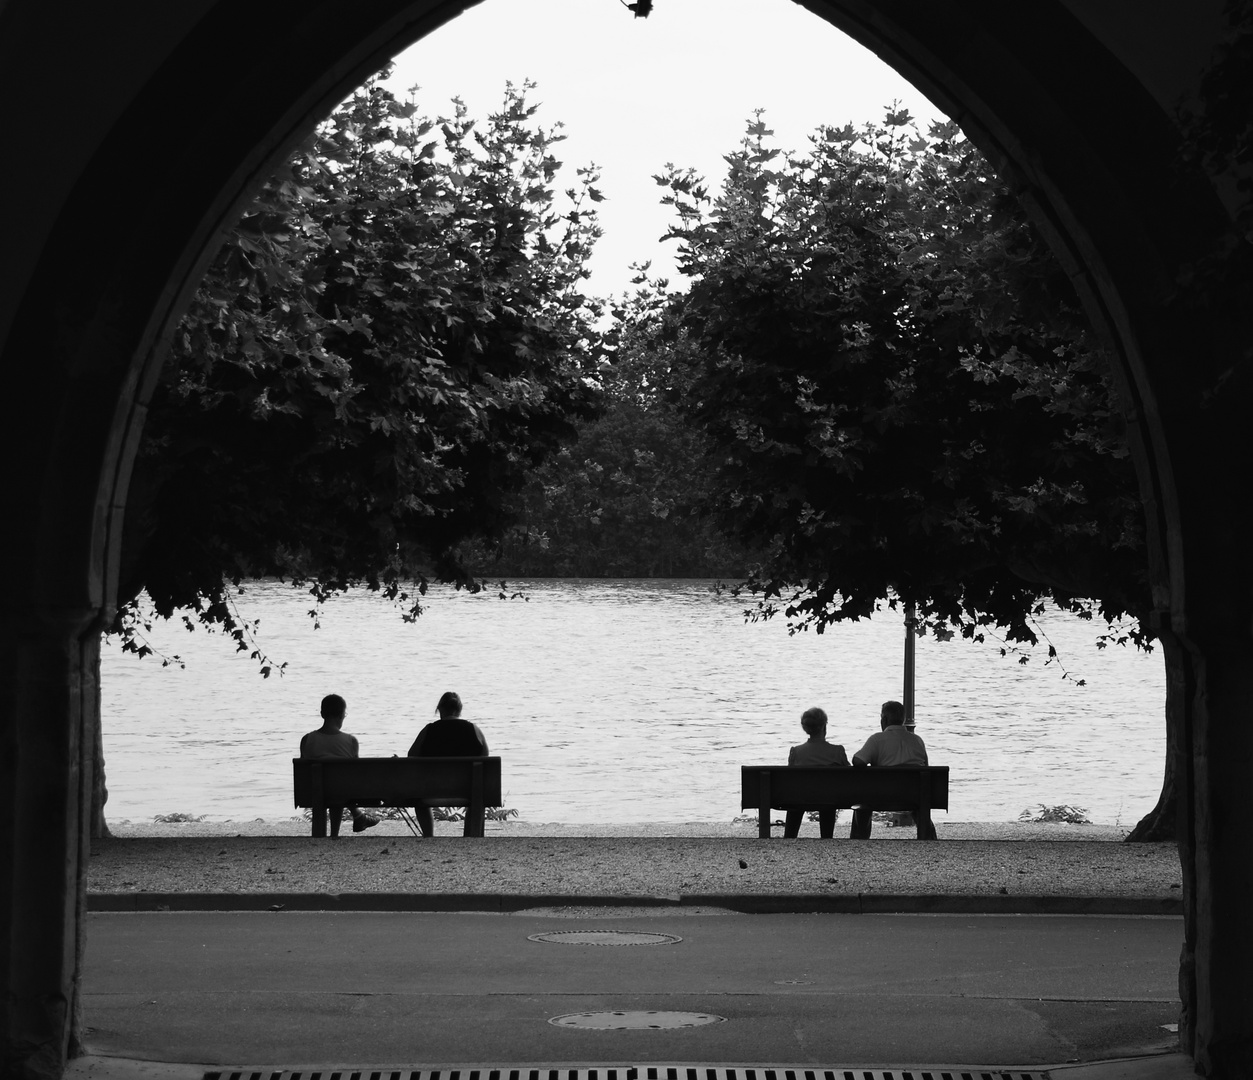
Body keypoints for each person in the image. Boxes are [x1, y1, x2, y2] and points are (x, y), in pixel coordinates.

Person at [849, 699, 937, 840]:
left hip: (881, 796)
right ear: (902, 720)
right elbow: (925, 766)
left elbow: (858, 761)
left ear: (884, 719)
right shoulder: (917, 741)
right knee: (921, 796)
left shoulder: (877, 740)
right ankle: (929, 839)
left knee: (863, 800)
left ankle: (859, 840)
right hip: (914, 796)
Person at [407, 691, 489, 837]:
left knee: (418, 795)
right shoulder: (473, 730)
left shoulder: (429, 730)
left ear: (440, 709)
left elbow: (411, 756)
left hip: (429, 792)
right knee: (477, 794)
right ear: (459, 710)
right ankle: (472, 836)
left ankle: (428, 836)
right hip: (468, 792)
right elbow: (485, 757)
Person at [299, 693, 380, 837]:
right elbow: (356, 774)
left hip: (312, 793)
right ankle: (338, 832)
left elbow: (304, 773)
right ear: (342, 715)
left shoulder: (307, 739)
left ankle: (357, 818)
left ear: (322, 714)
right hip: (343, 792)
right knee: (340, 785)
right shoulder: (350, 741)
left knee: (328, 784)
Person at [783, 706, 850, 838]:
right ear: (824, 726)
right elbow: (849, 775)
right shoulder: (837, 751)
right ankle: (826, 837)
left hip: (800, 799)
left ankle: (790, 836)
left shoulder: (796, 752)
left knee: (797, 794)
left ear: (805, 728)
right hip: (829, 799)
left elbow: (790, 777)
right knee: (828, 794)